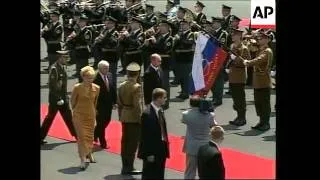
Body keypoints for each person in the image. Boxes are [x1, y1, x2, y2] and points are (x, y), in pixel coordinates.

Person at [40, 50, 77, 145]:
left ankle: (77, 135)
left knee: (69, 117)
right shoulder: (54, 69)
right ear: (60, 58)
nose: (67, 59)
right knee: (50, 118)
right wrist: (58, 99)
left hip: (63, 98)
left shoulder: (63, 67)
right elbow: (52, 86)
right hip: (55, 100)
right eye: (65, 57)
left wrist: (65, 98)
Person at [70, 66, 100, 170]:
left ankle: (90, 153)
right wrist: (76, 110)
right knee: (82, 137)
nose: (89, 80)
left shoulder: (97, 88)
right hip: (79, 115)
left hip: (90, 115)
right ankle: (82, 159)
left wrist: (94, 116)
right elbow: (72, 101)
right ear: (83, 77)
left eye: (91, 77)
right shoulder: (77, 87)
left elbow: (95, 103)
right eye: (87, 77)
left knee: (90, 137)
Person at [242, 32, 273, 131]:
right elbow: (250, 48)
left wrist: (248, 63)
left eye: (262, 38)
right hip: (258, 81)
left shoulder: (267, 51)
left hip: (264, 80)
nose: (259, 40)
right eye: (259, 38)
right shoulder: (259, 49)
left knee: (264, 103)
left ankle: (266, 123)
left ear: (267, 40)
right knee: (258, 102)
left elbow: (259, 60)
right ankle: (261, 121)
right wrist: (249, 39)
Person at [181, 95, 217, 179]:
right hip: (205, 147)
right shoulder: (210, 115)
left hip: (191, 147)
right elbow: (214, 125)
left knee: (190, 171)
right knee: (205, 171)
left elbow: (183, 121)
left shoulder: (186, 114)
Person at [138, 88, 170, 180]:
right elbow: (145, 136)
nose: (165, 99)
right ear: (158, 98)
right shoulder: (147, 113)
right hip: (152, 151)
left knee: (159, 173)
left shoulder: (160, 110)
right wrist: (149, 153)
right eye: (164, 97)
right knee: (150, 174)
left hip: (161, 148)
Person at [117, 62, 143, 175]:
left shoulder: (122, 85)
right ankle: (129, 167)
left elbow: (119, 103)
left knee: (125, 143)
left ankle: (124, 166)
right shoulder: (136, 87)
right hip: (133, 118)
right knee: (132, 144)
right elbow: (137, 105)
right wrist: (140, 118)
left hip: (124, 115)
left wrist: (121, 115)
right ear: (137, 74)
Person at [228, 29, 251, 126]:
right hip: (232, 76)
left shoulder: (244, 48)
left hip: (239, 77)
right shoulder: (232, 46)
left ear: (239, 37)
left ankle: (242, 118)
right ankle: (238, 116)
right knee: (235, 99)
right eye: (232, 35)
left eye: (234, 35)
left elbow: (247, 62)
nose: (232, 36)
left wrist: (235, 59)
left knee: (240, 98)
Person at [93, 60, 117, 149]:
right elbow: (93, 95)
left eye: (107, 68)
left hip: (108, 104)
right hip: (99, 105)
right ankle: (103, 143)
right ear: (99, 69)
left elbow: (112, 89)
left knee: (107, 121)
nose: (107, 70)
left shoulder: (110, 75)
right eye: (105, 68)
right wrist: (94, 107)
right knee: (101, 123)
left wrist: (115, 102)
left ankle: (94, 134)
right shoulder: (95, 79)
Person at [173, 20, 195, 100]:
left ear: (189, 26)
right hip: (179, 58)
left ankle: (185, 93)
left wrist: (179, 39)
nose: (182, 26)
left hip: (187, 59)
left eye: (184, 25)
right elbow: (175, 45)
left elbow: (188, 43)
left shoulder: (191, 34)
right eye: (181, 25)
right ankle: (183, 91)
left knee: (186, 77)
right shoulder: (180, 34)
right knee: (181, 77)